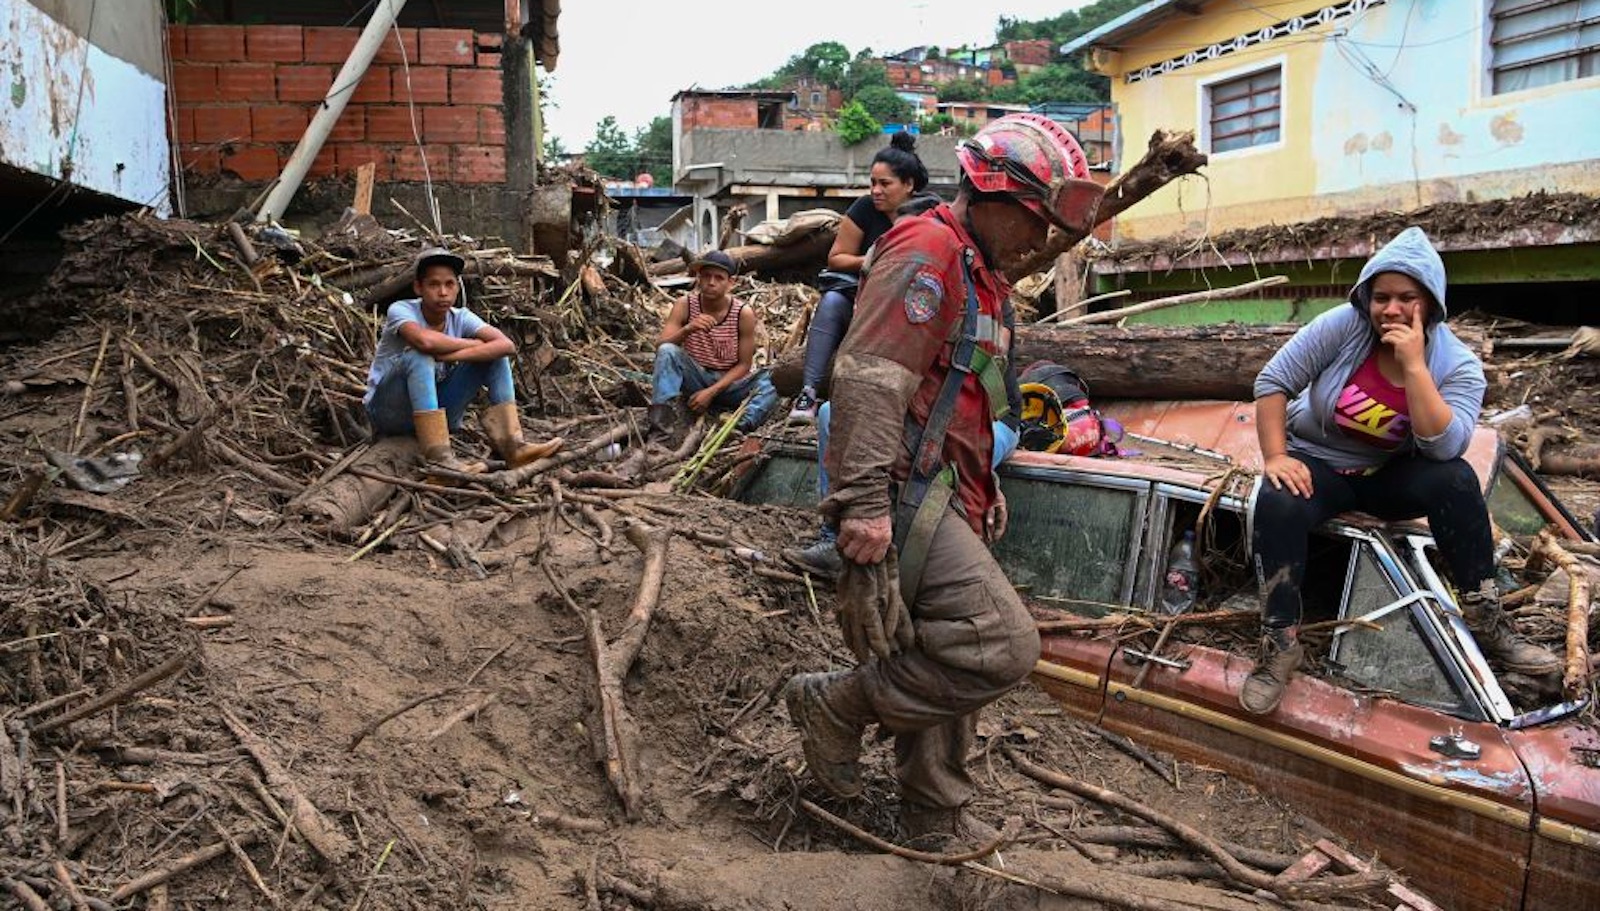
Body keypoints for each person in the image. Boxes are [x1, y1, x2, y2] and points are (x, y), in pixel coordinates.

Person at [782, 113, 1101, 847]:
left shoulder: (982, 274)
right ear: (992, 195)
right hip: (903, 490)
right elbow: (867, 381)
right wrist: (861, 508)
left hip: (947, 492)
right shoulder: (929, 251)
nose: (1039, 240)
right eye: (1034, 220)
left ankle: (933, 814)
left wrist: (985, 489)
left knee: (941, 642)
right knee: (1000, 643)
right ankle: (837, 704)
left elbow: (967, 396)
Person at [1241, 226, 1559, 716]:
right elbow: (1273, 382)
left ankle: (1487, 622)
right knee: (1276, 497)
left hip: (1388, 476)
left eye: (1406, 297)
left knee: (1455, 478)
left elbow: (1444, 447)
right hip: (1319, 467)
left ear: (1430, 301)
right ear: (1366, 298)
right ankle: (1280, 641)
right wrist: (1278, 457)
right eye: (1381, 297)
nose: (1391, 309)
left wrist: (1414, 368)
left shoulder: (1457, 365)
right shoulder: (1342, 327)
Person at [365, 248, 562, 474]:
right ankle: (441, 463)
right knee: (419, 355)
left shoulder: (461, 317)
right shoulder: (401, 310)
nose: (443, 292)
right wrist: (475, 345)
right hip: (390, 412)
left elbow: (506, 346)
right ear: (418, 288)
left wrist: (451, 353)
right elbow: (424, 342)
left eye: (449, 284)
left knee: (495, 357)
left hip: (437, 413)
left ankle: (513, 447)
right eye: (434, 285)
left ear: (457, 288)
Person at [788, 131, 932, 424]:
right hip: (862, 298)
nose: (876, 190)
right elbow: (837, 257)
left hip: (910, 303)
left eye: (885, 184)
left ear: (909, 185)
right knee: (830, 302)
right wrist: (873, 260)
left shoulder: (930, 213)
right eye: (873, 183)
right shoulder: (864, 208)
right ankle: (809, 392)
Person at [648, 250, 777, 437]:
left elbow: (744, 365)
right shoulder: (685, 305)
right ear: (698, 278)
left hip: (731, 385)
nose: (711, 282)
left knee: (773, 377)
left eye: (719, 278)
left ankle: (743, 423)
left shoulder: (743, 313)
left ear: (731, 283)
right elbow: (660, 346)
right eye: (706, 276)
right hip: (696, 379)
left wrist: (712, 392)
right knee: (668, 351)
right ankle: (662, 425)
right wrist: (687, 330)